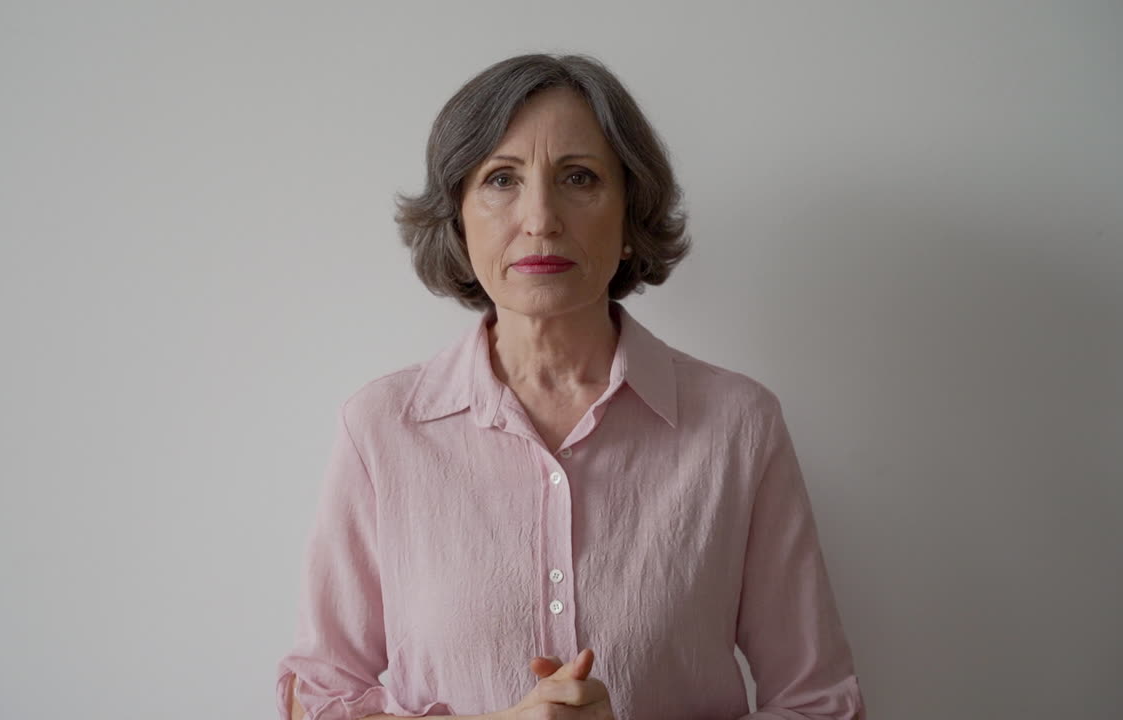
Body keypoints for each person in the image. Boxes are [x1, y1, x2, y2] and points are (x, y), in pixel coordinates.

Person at [276, 52, 867, 720]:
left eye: (579, 177)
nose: (540, 217)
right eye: (501, 179)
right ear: (458, 218)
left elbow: (820, 703)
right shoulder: (382, 427)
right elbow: (318, 698)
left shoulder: (739, 426)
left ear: (629, 215)